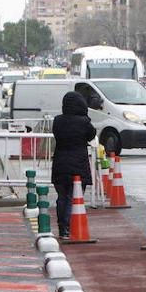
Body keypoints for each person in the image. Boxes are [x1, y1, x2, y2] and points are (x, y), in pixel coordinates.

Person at [51, 91, 96, 238]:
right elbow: (91, 134)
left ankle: (61, 227)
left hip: (59, 164)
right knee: (74, 197)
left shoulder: (57, 121)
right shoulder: (84, 122)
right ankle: (69, 227)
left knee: (62, 197)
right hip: (78, 164)